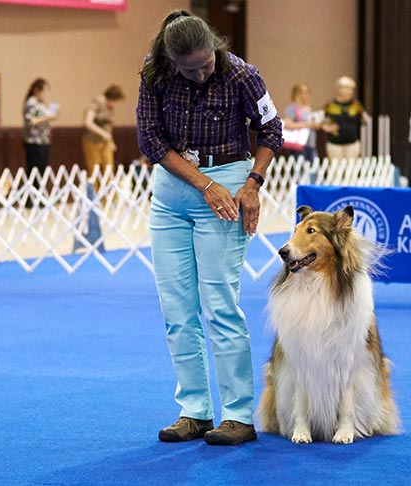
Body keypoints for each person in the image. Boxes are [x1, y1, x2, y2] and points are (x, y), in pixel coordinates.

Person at [136, 10, 282, 446]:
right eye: (189, 69)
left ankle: (237, 414)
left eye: (206, 65)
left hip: (230, 186)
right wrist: (203, 185)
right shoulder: (154, 74)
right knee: (177, 311)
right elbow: (150, 140)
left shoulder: (241, 74)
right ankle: (194, 411)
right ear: (171, 60)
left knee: (220, 302)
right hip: (173, 195)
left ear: (215, 49)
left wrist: (252, 183)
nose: (200, 75)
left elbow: (272, 129)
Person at [322, 76, 370, 160]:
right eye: (348, 89)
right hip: (335, 143)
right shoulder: (330, 105)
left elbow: (364, 120)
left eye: (351, 89)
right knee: (336, 170)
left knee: (351, 170)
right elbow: (323, 122)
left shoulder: (356, 105)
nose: (351, 92)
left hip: (352, 143)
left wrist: (365, 119)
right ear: (340, 89)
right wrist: (328, 128)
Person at [82, 84, 124, 174]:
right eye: (115, 101)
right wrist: (102, 133)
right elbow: (88, 122)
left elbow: (108, 127)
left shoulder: (110, 107)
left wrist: (111, 141)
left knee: (109, 167)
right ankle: (94, 188)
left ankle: (109, 187)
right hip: (92, 140)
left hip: (105, 142)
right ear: (112, 98)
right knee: (94, 168)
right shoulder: (96, 102)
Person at [23, 78, 58, 177]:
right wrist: (48, 116)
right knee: (35, 170)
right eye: (44, 90)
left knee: (42, 170)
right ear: (36, 90)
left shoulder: (41, 104)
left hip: (44, 140)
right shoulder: (32, 103)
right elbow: (33, 120)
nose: (46, 93)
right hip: (35, 142)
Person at [282, 83, 319, 161]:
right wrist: (306, 125)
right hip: (298, 145)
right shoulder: (293, 108)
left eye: (307, 92)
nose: (305, 95)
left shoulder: (309, 108)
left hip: (311, 144)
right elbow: (288, 125)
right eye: (302, 92)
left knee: (313, 169)